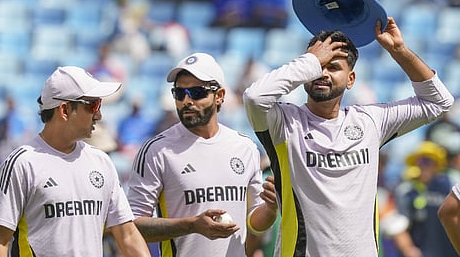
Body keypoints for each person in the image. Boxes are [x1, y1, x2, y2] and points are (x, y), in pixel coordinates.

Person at [242, 16, 454, 256]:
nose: (322, 73)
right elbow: (254, 98)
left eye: (333, 67)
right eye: (318, 67)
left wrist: (399, 51)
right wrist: (310, 61)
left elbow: (439, 102)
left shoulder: (371, 121)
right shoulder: (283, 124)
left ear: (351, 79)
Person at [0, 66, 151, 257]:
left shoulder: (101, 162)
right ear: (64, 110)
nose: (99, 115)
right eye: (93, 105)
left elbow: (128, 235)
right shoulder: (22, 164)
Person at [126, 52, 278, 257]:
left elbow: (254, 224)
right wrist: (191, 225)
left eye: (197, 92)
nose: (186, 101)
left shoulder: (245, 147)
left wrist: (270, 208)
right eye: (179, 94)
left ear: (220, 96)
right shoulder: (156, 150)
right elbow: (133, 226)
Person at [394, 141, 455, 256]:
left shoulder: (450, 185)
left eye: (427, 161)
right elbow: (400, 226)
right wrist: (409, 249)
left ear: (437, 165)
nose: (422, 165)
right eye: (419, 161)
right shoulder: (406, 191)